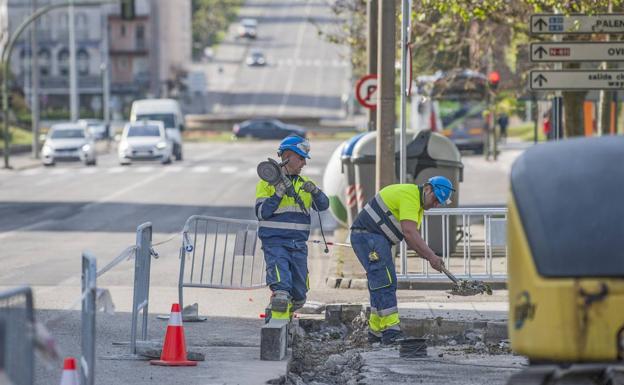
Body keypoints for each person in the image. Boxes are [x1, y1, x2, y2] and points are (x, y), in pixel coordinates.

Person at [350, 176, 454, 344]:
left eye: (439, 203)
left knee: (380, 283)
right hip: (368, 236)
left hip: (372, 237)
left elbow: (412, 240)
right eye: (436, 199)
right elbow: (409, 233)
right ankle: (391, 331)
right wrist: (431, 256)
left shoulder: (417, 205)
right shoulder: (410, 196)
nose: (435, 205)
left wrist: (430, 257)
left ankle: (376, 331)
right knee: (386, 282)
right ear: (427, 188)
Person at [255, 135, 330, 322]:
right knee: (281, 289)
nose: (304, 163)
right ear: (288, 156)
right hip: (276, 243)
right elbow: (262, 212)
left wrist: (315, 192)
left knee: (299, 294)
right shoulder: (266, 184)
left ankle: (285, 324)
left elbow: (323, 206)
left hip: (298, 245)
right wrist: (278, 194)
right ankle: (276, 328)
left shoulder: (303, 184)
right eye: (301, 158)